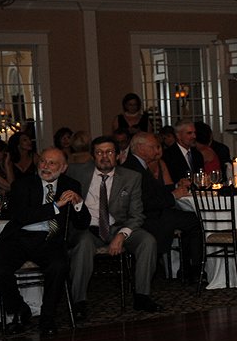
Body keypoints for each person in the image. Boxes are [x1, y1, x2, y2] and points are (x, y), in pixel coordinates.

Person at [0, 147, 90, 336]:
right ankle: (19, 309)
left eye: (52, 163)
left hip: (50, 239)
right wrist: (56, 206)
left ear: (63, 167)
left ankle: (47, 317)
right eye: (43, 161)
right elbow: (23, 216)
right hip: (19, 238)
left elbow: (83, 223)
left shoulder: (71, 184)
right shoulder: (22, 185)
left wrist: (78, 203)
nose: (46, 166)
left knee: (58, 266)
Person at [68, 136, 162, 315]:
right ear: (93, 156)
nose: (105, 156)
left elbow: (137, 215)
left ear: (118, 156)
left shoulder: (131, 177)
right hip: (88, 228)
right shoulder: (76, 172)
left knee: (147, 241)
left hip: (118, 227)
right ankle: (79, 302)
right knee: (83, 244)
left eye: (109, 152)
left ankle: (142, 296)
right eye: (99, 153)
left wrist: (121, 235)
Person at [122, 133, 203, 286]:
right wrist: (173, 196)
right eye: (152, 147)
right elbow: (145, 202)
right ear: (140, 148)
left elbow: (154, 191)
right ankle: (194, 269)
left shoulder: (138, 165)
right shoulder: (134, 169)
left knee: (190, 218)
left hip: (154, 213)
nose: (157, 150)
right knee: (195, 221)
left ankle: (186, 269)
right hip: (149, 218)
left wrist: (176, 186)